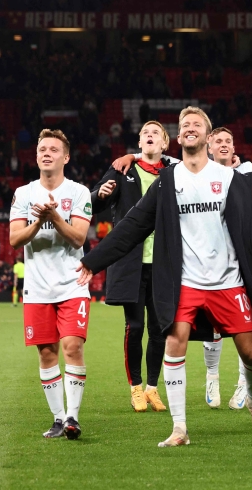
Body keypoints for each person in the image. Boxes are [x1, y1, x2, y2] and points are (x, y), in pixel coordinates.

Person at [77, 106, 252, 448]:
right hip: (186, 282)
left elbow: (251, 231)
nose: (190, 128)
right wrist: (93, 260)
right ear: (179, 137)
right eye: (184, 124)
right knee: (175, 342)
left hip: (228, 282)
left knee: (251, 355)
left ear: (206, 134)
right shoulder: (168, 181)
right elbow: (132, 224)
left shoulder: (230, 179)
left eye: (196, 124)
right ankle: (179, 428)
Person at [8, 129, 93, 440]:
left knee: (73, 346)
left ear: (65, 157)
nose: (47, 153)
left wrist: (54, 216)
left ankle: (73, 417)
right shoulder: (23, 193)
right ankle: (58, 419)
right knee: (46, 354)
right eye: (42, 149)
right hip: (37, 287)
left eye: (54, 149)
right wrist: (37, 222)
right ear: (36, 156)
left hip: (72, 284)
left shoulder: (79, 192)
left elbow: (79, 237)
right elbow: (15, 239)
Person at [90, 120, 172, 413]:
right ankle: (135, 388)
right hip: (130, 261)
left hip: (163, 262)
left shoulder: (173, 172)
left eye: (156, 134)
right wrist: (100, 194)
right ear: (139, 143)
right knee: (135, 326)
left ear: (164, 144)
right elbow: (93, 202)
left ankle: (152, 388)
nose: (149, 136)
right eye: (145, 134)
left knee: (160, 329)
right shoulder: (122, 169)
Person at [201, 126, 252, 412]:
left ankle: (244, 382)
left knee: (246, 324)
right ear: (209, 147)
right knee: (212, 325)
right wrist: (132, 154)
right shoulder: (197, 173)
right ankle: (212, 376)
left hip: (246, 258)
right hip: (210, 258)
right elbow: (163, 162)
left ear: (234, 147)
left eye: (227, 141)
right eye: (217, 141)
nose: (222, 145)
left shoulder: (249, 172)